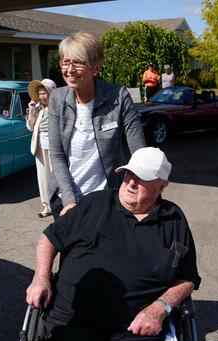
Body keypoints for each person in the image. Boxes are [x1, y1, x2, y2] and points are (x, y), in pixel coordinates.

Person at [26, 147, 201, 341]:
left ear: (161, 186)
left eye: (142, 178)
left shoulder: (173, 220)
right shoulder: (95, 204)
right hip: (77, 321)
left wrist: (160, 308)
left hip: (135, 332)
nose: (131, 183)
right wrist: (41, 278)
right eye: (128, 174)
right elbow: (49, 238)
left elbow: (186, 279)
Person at [48, 31, 146, 218]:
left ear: (96, 67)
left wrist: (144, 190)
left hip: (108, 199)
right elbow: (57, 155)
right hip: (66, 198)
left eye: (78, 62)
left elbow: (139, 151)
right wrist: (69, 201)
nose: (69, 70)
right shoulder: (57, 99)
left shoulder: (118, 96)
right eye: (65, 62)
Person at [26, 78, 57, 218]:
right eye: (40, 93)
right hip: (40, 147)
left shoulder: (58, 107)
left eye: (44, 93)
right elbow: (30, 127)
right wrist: (32, 112)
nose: (42, 96)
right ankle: (47, 207)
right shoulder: (38, 108)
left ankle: (60, 205)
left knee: (57, 177)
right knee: (43, 178)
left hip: (56, 148)